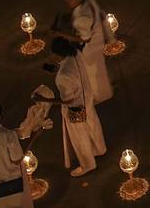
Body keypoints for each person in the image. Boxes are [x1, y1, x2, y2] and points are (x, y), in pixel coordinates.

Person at [39, 38, 106, 177]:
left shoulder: (62, 77)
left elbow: (68, 99)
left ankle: (88, 164)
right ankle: (99, 149)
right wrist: (58, 69)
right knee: (92, 125)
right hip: (87, 98)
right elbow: (72, 71)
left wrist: (44, 99)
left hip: (75, 108)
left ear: (58, 54)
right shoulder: (76, 53)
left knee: (79, 137)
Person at [63, 0, 113, 104]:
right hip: (98, 40)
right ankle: (105, 90)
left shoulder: (82, 19)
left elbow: (85, 39)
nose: (67, 0)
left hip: (90, 48)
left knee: (92, 72)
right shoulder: (90, 1)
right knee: (98, 69)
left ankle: (101, 95)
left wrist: (62, 35)